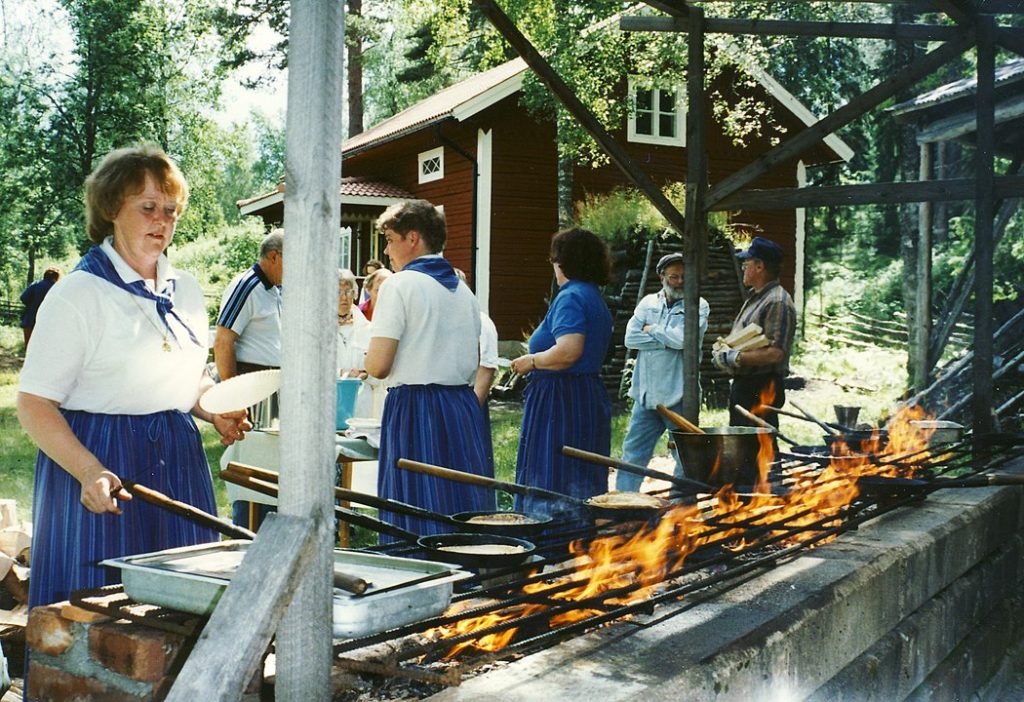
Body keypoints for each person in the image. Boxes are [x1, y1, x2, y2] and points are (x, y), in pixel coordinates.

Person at [16, 145, 250, 611]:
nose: (161, 221)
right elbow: (34, 405)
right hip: (100, 464)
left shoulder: (183, 289)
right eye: (147, 207)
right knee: (95, 616)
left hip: (176, 462)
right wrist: (89, 470)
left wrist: (211, 408)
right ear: (111, 209)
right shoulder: (78, 295)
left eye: (170, 210)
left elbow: (188, 379)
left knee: (183, 603)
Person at [364, 200, 494, 538]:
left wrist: (365, 358)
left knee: (415, 504)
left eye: (390, 240)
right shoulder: (464, 292)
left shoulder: (399, 285)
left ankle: (412, 571)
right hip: (461, 407)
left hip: (416, 407)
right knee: (460, 499)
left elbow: (377, 365)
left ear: (412, 238)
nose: (387, 251)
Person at [509, 228, 613, 521]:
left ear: (562, 262)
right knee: (582, 474)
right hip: (586, 394)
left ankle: (552, 540)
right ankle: (577, 541)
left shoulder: (571, 297)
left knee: (553, 472)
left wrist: (531, 361)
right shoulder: (593, 295)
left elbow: (568, 351)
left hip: (560, 398)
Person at [616, 253, 710, 492]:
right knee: (633, 453)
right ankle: (624, 505)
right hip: (645, 396)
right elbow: (630, 338)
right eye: (673, 276)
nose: (679, 281)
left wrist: (652, 330)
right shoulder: (648, 302)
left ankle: (681, 508)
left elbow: (682, 340)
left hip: (678, 395)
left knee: (684, 456)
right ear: (662, 278)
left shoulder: (698, 305)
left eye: (683, 277)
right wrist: (664, 338)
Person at [713, 236, 797, 429]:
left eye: (746, 263)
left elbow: (776, 353)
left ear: (759, 266)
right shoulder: (758, 297)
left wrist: (736, 358)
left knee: (759, 448)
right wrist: (724, 354)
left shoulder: (777, 301)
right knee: (743, 447)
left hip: (762, 385)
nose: (743, 267)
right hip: (747, 384)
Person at [213, 229, 284, 381]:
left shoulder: (276, 289)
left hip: (271, 382)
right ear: (274, 256)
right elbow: (222, 342)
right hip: (249, 380)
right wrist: (233, 395)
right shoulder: (247, 286)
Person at [337, 268, 370, 377]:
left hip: (361, 391)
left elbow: (381, 375)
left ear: (355, 293)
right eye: (337, 292)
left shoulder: (368, 328)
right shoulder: (317, 329)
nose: (344, 297)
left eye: (348, 292)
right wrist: (341, 373)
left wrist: (367, 375)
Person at [19, 267, 61, 347]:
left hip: (30, 320)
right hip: (47, 322)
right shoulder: (57, 288)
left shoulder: (36, 284)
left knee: (29, 347)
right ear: (56, 278)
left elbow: (23, 298)